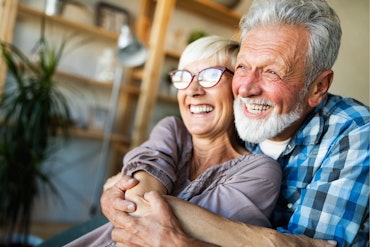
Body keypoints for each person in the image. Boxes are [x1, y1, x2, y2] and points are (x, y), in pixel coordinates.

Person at [101, 0, 369, 246]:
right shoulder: (239, 122)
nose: (246, 89)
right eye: (242, 67)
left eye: (271, 72)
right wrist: (118, 187)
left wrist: (179, 240)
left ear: (318, 87)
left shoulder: (354, 131)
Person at [65, 35, 282, 246]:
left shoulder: (259, 171)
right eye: (184, 77)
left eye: (210, 76)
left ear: (238, 89)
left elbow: (153, 223)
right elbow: (137, 208)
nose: (193, 91)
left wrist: (118, 185)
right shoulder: (172, 129)